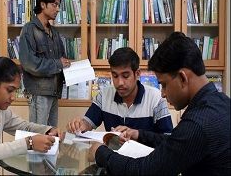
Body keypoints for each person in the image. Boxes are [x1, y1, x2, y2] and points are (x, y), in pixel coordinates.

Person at [90, 32, 231, 175]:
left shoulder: (197, 124)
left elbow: (143, 171)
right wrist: (138, 134)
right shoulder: (222, 103)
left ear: (182, 77)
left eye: (164, 84)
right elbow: (174, 143)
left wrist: (100, 152)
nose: (163, 93)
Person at [67, 47, 173, 134]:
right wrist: (80, 125)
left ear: (137, 74)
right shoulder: (104, 95)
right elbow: (88, 123)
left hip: (145, 159)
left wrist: (138, 135)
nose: (120, 82)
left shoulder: (156, 98)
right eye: (115, 76)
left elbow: (167, 138)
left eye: (125, 76)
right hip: (114, 157)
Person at [19, 0, 70, 127]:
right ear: (42, 5)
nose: (58, 9)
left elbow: (62, 60)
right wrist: (58, 64)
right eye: (54, 4)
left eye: (58, 5)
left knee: (51, 136)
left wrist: (69, 67)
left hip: (54, 91)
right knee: (38, 135)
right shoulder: (29, 29)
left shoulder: (55, 32)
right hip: (38, 92)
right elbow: (29, 63)